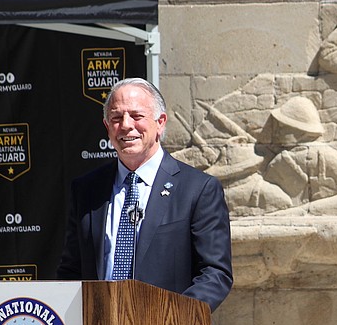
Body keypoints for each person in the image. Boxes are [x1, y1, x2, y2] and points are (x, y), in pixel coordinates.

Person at [57, 78, 233, 312]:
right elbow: (72, 271)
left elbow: (215, 273)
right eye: (116, 118)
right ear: (107, 126)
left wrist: (172, 318)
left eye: (137, 116)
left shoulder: (198, 189)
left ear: (160, 123)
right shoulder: (86, 190)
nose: (126, 125)